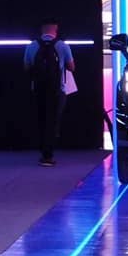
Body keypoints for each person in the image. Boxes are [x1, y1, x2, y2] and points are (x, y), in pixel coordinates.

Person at [22, 19, 76, 167]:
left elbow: (26, 67)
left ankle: (43, 152)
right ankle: (49, 154)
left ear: (41, 29)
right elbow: (72, 67)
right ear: (55, 30)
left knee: (41, 120)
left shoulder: (31, 46)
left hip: (38, 89)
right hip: (58, 90)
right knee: (53, 121)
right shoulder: (63, 46)